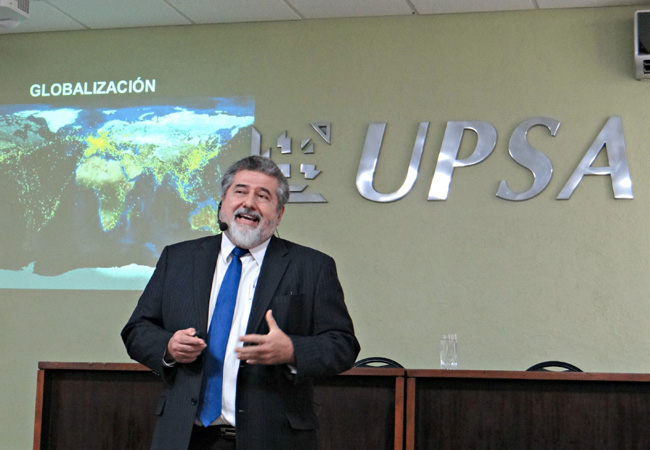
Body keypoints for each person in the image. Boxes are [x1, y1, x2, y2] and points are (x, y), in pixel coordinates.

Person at [121, 155, 360, 450]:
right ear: (223, 202)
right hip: (185, 437)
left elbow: (343, 345)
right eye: (240, 191)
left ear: (279, 212)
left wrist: (292, 351)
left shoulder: (311, 266)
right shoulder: (178, 259)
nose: (249, 203)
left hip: (274, 439)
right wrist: (168, 347)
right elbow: (137, 331)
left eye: (263, 196)